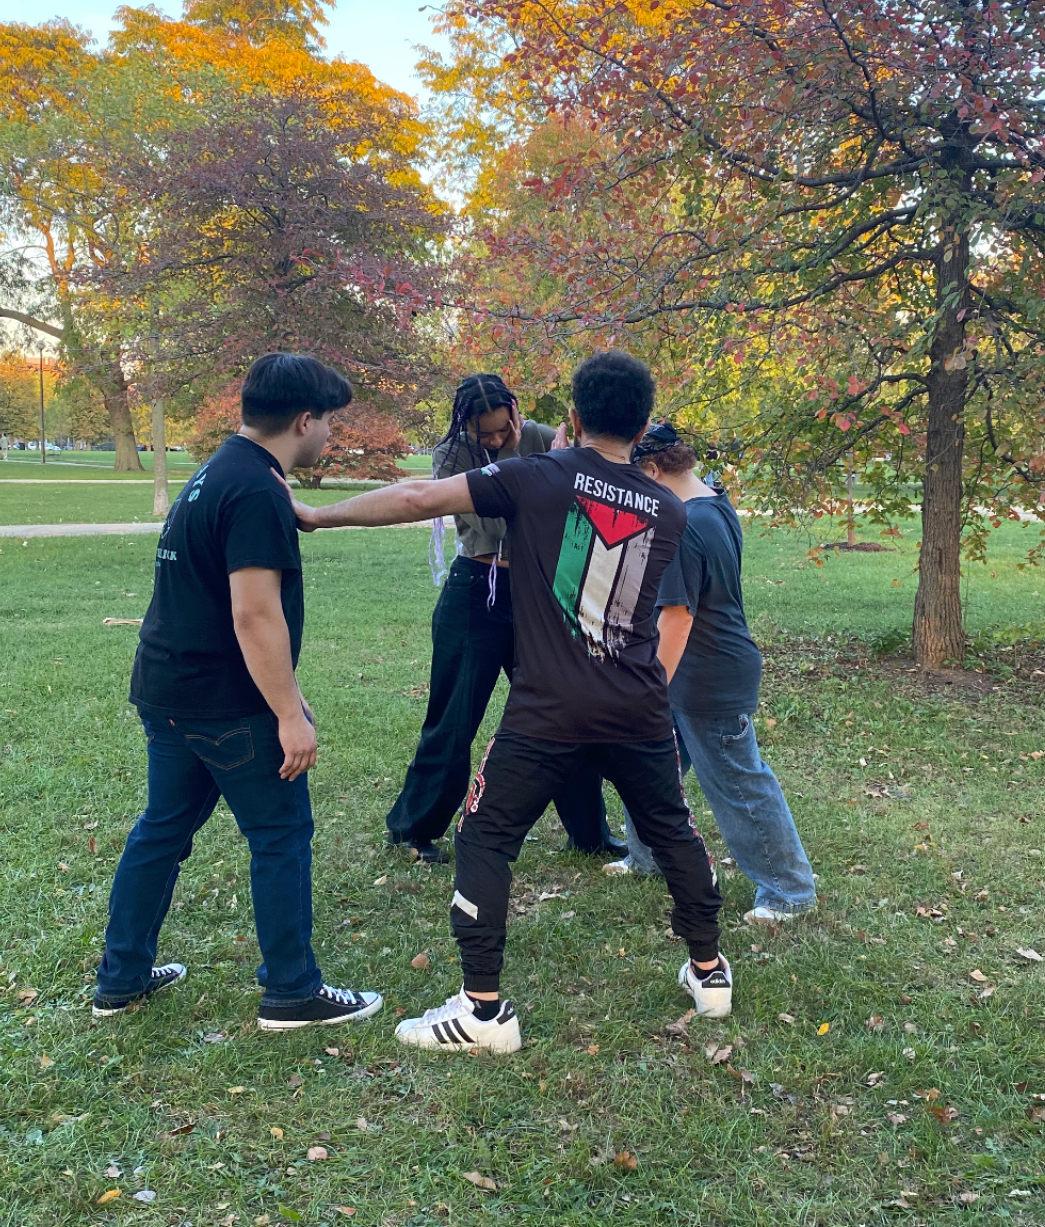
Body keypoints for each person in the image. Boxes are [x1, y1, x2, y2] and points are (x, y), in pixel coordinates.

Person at [283, 351, 729, 1054]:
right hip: (638, 704)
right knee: (673, 831)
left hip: (550, 707)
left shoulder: (537, 474)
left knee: (485, 836)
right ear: (644, 427)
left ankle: (483, 1011)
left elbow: (417, 498)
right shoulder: (671, 510)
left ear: (573, 415)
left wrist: (315, 514)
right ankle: (709, 972)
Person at [93, 352, 383, 1032]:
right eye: (329, 422)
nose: (330, 434)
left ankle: (120, 980)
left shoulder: (216, 472)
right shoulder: (255, 490)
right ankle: (292, 992)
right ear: (305, 420)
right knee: (280, 834)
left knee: (162, 831)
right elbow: (253, 614)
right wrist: (288, 713)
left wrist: (289, 694)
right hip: (227, 704)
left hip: (168, 690)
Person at [385, 372, 623, 862]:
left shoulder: (544, 437)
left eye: (503, 428)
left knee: (565, 710)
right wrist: (539, 470)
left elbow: (582, 508)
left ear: (516, 409)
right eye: (484, 434)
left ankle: (589, 834)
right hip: (476, 590)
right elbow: (493, 520)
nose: (495, 440)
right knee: (454, 717)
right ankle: (414, 829)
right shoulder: (452, 455)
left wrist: (543, 462)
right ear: (465, 426)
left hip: (538, 594)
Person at [608, 424, 816, 921]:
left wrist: (648, 690)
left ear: (653, 471)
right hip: (691, 671)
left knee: (739, 785)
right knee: (647, 765)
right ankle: (647, 855)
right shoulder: (713, 502)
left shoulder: (682, 524)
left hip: (708, 677)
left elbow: (677, 618)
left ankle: (789, 892)